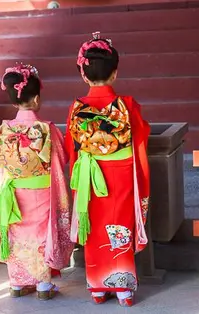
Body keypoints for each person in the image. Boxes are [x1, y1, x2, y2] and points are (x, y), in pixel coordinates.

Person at [65, 32, 151, 307]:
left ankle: (97, 288)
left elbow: (72, 148)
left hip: (91, 176)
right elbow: (141, 137)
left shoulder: (77, 108)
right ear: (115, 73)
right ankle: (124, 290)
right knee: (120, 226)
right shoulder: (127, 105)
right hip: (122, 173)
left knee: (95, 227)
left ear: (84, 75)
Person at [0, 63, 74, 300]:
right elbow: (62, 155)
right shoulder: (46, 129)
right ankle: (43, 286)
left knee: (17, 233)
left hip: (14, 191)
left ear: (13, 101)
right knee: (40, 234)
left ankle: (17, 283)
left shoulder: (3, 131)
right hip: (42, 190)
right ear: (36, 99)